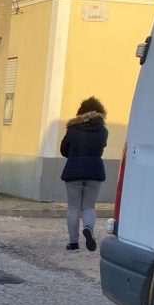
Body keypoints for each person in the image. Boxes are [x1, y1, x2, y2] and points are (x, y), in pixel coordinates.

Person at [60, 97, 108, 252]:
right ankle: (88, 228)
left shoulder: (73, 129)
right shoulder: (103, 130)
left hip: (74, 170)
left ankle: (73, 244)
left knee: (73, 207)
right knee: (89, 206)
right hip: (94, 170)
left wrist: (73, 155)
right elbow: (102, 147)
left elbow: (63, 149)